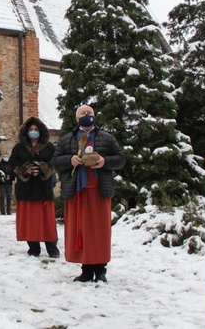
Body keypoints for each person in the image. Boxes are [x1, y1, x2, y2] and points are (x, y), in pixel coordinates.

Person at [52, 105, 125, 283]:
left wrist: (104, 161)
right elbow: (54, 161)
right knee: (82, 231)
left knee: (99, 232)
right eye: (83, 113)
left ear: (95, 116)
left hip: (99, 191)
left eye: (90, 113)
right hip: (77, 192)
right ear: (77, 118)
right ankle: (86, 269)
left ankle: (100, 270)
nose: (87, 115)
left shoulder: (106, 138)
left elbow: (120, 159)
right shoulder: (67, 139)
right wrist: (70, 160)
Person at [9, 117, 59, 258]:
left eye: (36, 130)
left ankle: (52, 249)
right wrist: (25, 169)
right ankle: (33, 248)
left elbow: (54, 162)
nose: (33, 132)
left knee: (47, 221)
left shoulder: (49, 147)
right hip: (26, 188)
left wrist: (43, 168)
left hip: (43, 188)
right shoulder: (19, 147)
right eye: (30, 130)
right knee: (30, 221)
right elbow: (13, 163)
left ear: (41, 131)